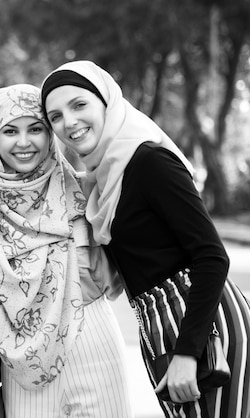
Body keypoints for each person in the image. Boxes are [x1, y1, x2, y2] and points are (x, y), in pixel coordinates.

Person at [41, 60, 250, 417]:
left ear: (106, 102)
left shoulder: (148, 160)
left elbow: (212, 257)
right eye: (55, 116)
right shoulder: (103, 178)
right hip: (158, 327)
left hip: (201, 327)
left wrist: (188, 351)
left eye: (79, 105)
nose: (69, 122)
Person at [0, 83, 133, 417]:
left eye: (36, 129)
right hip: (20, 355)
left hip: (92, 335)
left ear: (50, 134)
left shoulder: (84, 187)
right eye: (10, 131)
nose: (24, 142)